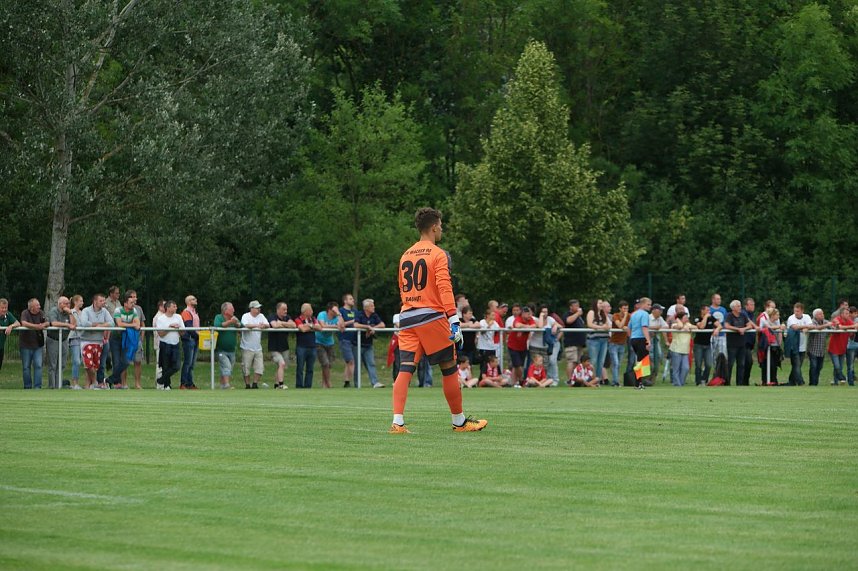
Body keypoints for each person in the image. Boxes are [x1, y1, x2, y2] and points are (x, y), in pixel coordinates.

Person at [389, 207, 487, 433]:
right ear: (434, 227)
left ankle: (397, 422)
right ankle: (459, 421)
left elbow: (403, 288)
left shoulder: (406, 254)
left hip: (407, 316)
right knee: (449, 367)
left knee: (405, 369)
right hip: (431, 316)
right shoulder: (438, 253)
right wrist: (454, 319)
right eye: (441, 225)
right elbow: (444, 287)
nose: (441, 229)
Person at [78, 294, 114, 389]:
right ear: (95, 301)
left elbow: (112, 322)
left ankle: (89, 386)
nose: (103, 303)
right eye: (101, 301)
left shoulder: (105, 311)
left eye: (103, 301)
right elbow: (84, 323)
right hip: (86, 341)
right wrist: (98, 325)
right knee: (88, 364)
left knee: (95, 365)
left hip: (99, 342)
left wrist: (100, 326)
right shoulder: (86, 311)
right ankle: (95, 382)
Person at [109, 290, 142, 390]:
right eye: (131, 303)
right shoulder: (118, 310)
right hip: (115, 338)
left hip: (125, 338)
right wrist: (132, 325)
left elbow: (138, 324)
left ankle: (110, 380)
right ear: (125, 303)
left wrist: (132, 325)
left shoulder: (134, 311)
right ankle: (116, 382)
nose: (133, 304)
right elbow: (119, 324)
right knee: (116, 361)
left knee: (126, 361)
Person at [46, 296, 76, 389]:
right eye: (66, 303)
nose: (68, 305)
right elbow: (54, 323)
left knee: (62, 364)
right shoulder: (54, 311)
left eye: (68, 303)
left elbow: (74, 324)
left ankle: (59, 385)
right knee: (53, 365)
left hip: (64, 340)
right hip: (53, 340)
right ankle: (52, 387)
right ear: (60, 304)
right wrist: (67, 325)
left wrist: (70, 313)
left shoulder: (68, 312)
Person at [723, 300, 756, 386]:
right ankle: (727, 382)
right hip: (732, 344)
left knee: (741, 364)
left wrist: (744, 329)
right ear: (733, 308)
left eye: (740, 306)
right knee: (730, 364)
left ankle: (740, 383)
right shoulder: (729, 316)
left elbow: (749, 325)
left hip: (742, 343)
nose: (740, 307)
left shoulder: (743, 315)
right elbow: (726, 325)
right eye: (738, 306)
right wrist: (737, 329)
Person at [355, 298, 386, 388]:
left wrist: (373, 328)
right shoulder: (359, 314)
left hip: (369, 344)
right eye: (372, 306)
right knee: (358, 365)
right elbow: (356, 325)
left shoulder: (374, 315)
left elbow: (382, 325)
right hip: (357, 344)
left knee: (371, 363)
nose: (374, 307)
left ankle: (375, 382)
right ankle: (357, 384)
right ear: (366, 307)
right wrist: (367, 327)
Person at [153, 300, 184, 390]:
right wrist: (169, 327)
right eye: (174, 306)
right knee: (165, 366)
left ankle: (161, 380)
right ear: (168, 308)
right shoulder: (161, 318)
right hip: (165, 344)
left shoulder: (178, 317)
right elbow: (160, 334)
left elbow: (183, 332)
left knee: (176, 366)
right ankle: (167, 385)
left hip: (175, 344)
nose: (176, 308)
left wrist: (178, 328)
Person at [19, 298, 48, 389]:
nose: (39, 306)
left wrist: (43, 325)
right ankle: (27, 387)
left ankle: (37, 387)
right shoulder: (25, 313)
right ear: (31, 307)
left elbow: (47, 322)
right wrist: (36, 326)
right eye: (37, 305)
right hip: (25, 345)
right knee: (26, 367)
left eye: (39, 305)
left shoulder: (41, 313)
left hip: (37, 345)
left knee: (38, 365)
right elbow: (23, 323)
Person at [240, 300, 269, 389]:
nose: (259, 309)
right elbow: (246, 325)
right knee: (246, 368)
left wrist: (264, 326)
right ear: (251, 308)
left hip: (258, 347)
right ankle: (247, 385)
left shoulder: (261, 316)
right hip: (247, 347)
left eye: (259, 308)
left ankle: (255, 384)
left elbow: (267, 324)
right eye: (257, 308)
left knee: (260, 368)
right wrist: (257, 325)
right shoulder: (245, 316)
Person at [529, 305, 560, 385]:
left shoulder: (550, 319)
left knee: (545, 365)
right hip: (535, 345)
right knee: (534, 365)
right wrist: (541, 316)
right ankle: (533, 382)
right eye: (543, 312)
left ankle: (542, 382)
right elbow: (540, 326)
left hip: (545, 346)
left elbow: (561, 326)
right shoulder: (535, 319)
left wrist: (555, 326)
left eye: (546, 312)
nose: (545, 313)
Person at [268, 302, 296, 390]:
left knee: (282, 366)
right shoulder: (272, 316)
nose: (285, 311)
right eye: (283, 309)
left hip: (284, 347)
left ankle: (276, 385)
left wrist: (282, 323)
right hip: (274, 347)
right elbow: (275, 325)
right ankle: (281, 384)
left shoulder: (287, 317)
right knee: (282, 364)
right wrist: (283, 324)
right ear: (278, 310)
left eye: (286, 309)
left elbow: (293, 325)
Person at [213, 302, 241, 389]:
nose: (233, 310)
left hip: (232, 350)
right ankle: (227, 385)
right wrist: (230, 322)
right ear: (225, 311)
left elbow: (241, 325)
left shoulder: (234, 318)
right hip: (221, 349)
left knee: (228, 369)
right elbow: (218, 325)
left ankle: (222, 386)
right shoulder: (219, 317)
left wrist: (236, 324)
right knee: (226, 366)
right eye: (231, 308)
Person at [295, 303, 323, 388]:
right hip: (301, 347)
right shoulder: (298, 319)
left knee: (310, 369)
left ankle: (308, 386)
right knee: (300, 368)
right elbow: (302, 329)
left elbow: (319, 328)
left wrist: (309, 326)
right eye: (310, 310)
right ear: (305, 311)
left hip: (312, 347)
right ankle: (299, 386)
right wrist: (312, 327)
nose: (312, 311)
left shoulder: (313, 319)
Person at [785, 303, 813, 386]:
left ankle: (791, 381)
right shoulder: (791, 318)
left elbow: (811, 326)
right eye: (795, 311)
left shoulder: (807, 317)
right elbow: (794, 327)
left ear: (802, 311)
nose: (796, 312)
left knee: (797, 366)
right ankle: (801, 382)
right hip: (794, 346)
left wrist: (807, 327)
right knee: (796, 364)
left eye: (798, 311)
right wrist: (805, 326)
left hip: (802, 346)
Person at [692, 305, 720, 385]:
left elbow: (720, 325)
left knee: (708, 364)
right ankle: (698, 382)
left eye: (709, 310)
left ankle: (704, 379)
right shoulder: (697, 319)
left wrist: (717, 329)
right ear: (702, 311)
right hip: (698, 345)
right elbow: (701, 327)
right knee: (698, 364)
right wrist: (706, 317)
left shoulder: (712, 318)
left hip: (708, 345)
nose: (709, 312)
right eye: (707, 310)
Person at [628, 297, 652, 389]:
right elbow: (644, 327)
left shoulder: (634, 314)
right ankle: (638, 383)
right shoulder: (645, 314)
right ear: (642, 304)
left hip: (634, 339)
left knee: (639, 361)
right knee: (642, 362)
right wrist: (648, 340)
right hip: (641, 338)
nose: (650, 306)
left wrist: (631, 337)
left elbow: (629, 327)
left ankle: (638, 382)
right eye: (648, 304)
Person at [509, 305, 536, 386]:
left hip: (522, 347)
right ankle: (522, 380)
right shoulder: (518, 318)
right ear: (523, 314)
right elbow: (517, 325)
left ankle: (513, 383)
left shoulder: (530, 319)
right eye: (528, 314)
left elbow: (534, 326)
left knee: (517, 366)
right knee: (518, 365)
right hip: (513, 346)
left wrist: (525, 327)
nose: (529, 316)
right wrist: (527, 326)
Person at [316, 302, 341, 389]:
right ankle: (328, 383)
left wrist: (338, 314)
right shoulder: (322, 314)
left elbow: (341, 326)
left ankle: (324, 384)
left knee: (328, 365)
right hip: (319, 342)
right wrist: (335, 326)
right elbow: (322, 326)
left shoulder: (337, 317)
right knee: (325, 363)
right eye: (334, 309)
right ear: (330, 309)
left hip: (330, 343)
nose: (336, 311)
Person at [829, 306, 855, 385]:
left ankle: (835, 382)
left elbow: (855, 326)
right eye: (846, 313)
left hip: (842, 348)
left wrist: (849, 329)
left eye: (848, 313)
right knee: (837, 367)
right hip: (834, 348)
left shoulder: (849, 321)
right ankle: (842, 378)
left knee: (839, 367)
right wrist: (850, 327)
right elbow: (839, 327)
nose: (848, 315)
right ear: (841, 314)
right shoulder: (836, 319)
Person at [586, 300, 611, 382]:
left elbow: (608, 325)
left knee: (601, 362)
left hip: (604, 340)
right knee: (593, 361)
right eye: (599, 303)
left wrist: (606, 326)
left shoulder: (603, 314)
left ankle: (598, 380)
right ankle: (591, 379)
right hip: (594, 340)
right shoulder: (591, 312)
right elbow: (589, 324)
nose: (601, 304)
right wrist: (601, 327)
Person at [179, 295, 200, 389]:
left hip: (195, 339)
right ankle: (183, 383)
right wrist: (199, 335)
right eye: (192, 299)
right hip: (189, 339)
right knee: (188, 362)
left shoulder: (195, 312)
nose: (195, 300)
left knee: (192, 364)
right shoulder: (186, 312)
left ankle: (190, 383)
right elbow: (189, 327)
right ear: (188, 302)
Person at [563, 299, 587, 382]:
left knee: (577, 362)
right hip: (571, 343)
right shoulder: (568, 314)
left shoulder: (579, 317)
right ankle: (569, 379)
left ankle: (576, 379)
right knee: (571, 361)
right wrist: (577, 314)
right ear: (571, 307)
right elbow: (568, 321)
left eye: (578, 305)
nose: (578, 307)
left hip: (579, 343)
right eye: (576, 306)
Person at [668, 312, 694, 386]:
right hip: (676, 349)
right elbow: (679, 326)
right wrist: (679, 321)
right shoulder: (674, 325)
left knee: (686, 368)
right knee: (676, 369)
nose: (687, 319)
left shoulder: (688, 325)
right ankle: (677, 384)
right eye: (685, 317)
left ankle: (681, 383)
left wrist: (688, 327)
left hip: (685, 350)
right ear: (679, 319)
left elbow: (696, 327)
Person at [759, 308, 783, 385]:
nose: (778, 316)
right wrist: (779, 327)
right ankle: (765, 380)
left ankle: (774, 380)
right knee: (767, 365)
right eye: (777, 314)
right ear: (772, 315)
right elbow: (768, 328)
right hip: (767, 347)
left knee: (774, 365)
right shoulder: (766, 322)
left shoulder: (777, 323)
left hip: (775, 347)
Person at [807, 309, 831, 386]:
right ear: (815, 316)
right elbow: (816, 328)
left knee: (819, 367)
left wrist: (835, 324)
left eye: (822, 313)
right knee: (813, 367)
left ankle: (815, 383)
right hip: (813, 349)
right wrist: (826, 325)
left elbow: (832, 326)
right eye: (820, 314)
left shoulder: (825, 321)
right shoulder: (812, 322)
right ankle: (812, 383)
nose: (822, 315)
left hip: (821, 350)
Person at [609, 301, 630, 387]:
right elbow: (620, 326)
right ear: (620, 308)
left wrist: (627, 327)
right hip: (614, 343)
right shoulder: (615, 315)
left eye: (627, 308)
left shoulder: (629, 316)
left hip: (622, 343)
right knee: (616, 363)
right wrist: (625, 316)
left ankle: (616, 380)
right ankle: (615, 382)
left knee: (619, 364)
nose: (626, 310)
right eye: (624, 308)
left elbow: (630, 326)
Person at [339, 293, 358, 388]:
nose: (353, 300)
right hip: (345, 339)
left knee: (349, 362)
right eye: (350, 299)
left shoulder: (355, 311)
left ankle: (347, 381)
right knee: (350, 361)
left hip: (355, 340)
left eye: (353, 299)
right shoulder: (341, 311)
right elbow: (341, 324)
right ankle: (352, 382)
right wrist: (352, 321)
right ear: (345, 301)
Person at [740, 298, 758, 386]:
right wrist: (756, 327)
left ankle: (745, 381)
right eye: (751, 304)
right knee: (747, 362)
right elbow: (749, 323)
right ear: (746, 306)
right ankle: (743, 382)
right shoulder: (743, 313)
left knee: (748, 362)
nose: (753, 306)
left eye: (753, 304)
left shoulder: (752, 314)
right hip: (744, 342)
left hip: (750, 343)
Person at [68, 295, 84, 389]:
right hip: (74, 337)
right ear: (75, 302)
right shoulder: (71, 312)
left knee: (82, 361)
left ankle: (78, 381)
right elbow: (73, 324)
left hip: (83, 337)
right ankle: (74, 383)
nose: (82, 303)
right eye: (80, 301)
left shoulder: (83, 312)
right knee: (76, 361)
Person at [0, 298, 20, 372]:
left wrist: (11, 326)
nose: (4, 310)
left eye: (6, 308)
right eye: (2, 308)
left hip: (1, 347)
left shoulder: (8, 315)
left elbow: (18, 323)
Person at [648, 304, 667, 380]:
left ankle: (654, 374)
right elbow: (645, 326)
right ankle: (649, 374)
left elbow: (666, 326)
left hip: (656, 340)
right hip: (648, 340)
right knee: (650, 357)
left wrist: (657, 328)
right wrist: (656, 328)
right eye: (659, 310)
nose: (661, 312)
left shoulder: (660, 318)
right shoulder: (648, 317)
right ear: (653, 310)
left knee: (659, 355)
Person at [709, 293, 728, 359]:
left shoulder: (723, 309)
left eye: (720, 299)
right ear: (713, 300)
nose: (719, 300)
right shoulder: (709, 310)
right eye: (717, 299)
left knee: (722, 354)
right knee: (712, 354)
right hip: (712, 335)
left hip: (722, 335)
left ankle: (722, 368)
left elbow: (725, 321)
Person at [153, 300, 165, 388]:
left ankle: (162, 382)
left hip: (164, 343)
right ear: (160, 307)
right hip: (159, 343)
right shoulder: (158, 317)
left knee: (164, 364)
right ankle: (159, 383)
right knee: (160, 364)